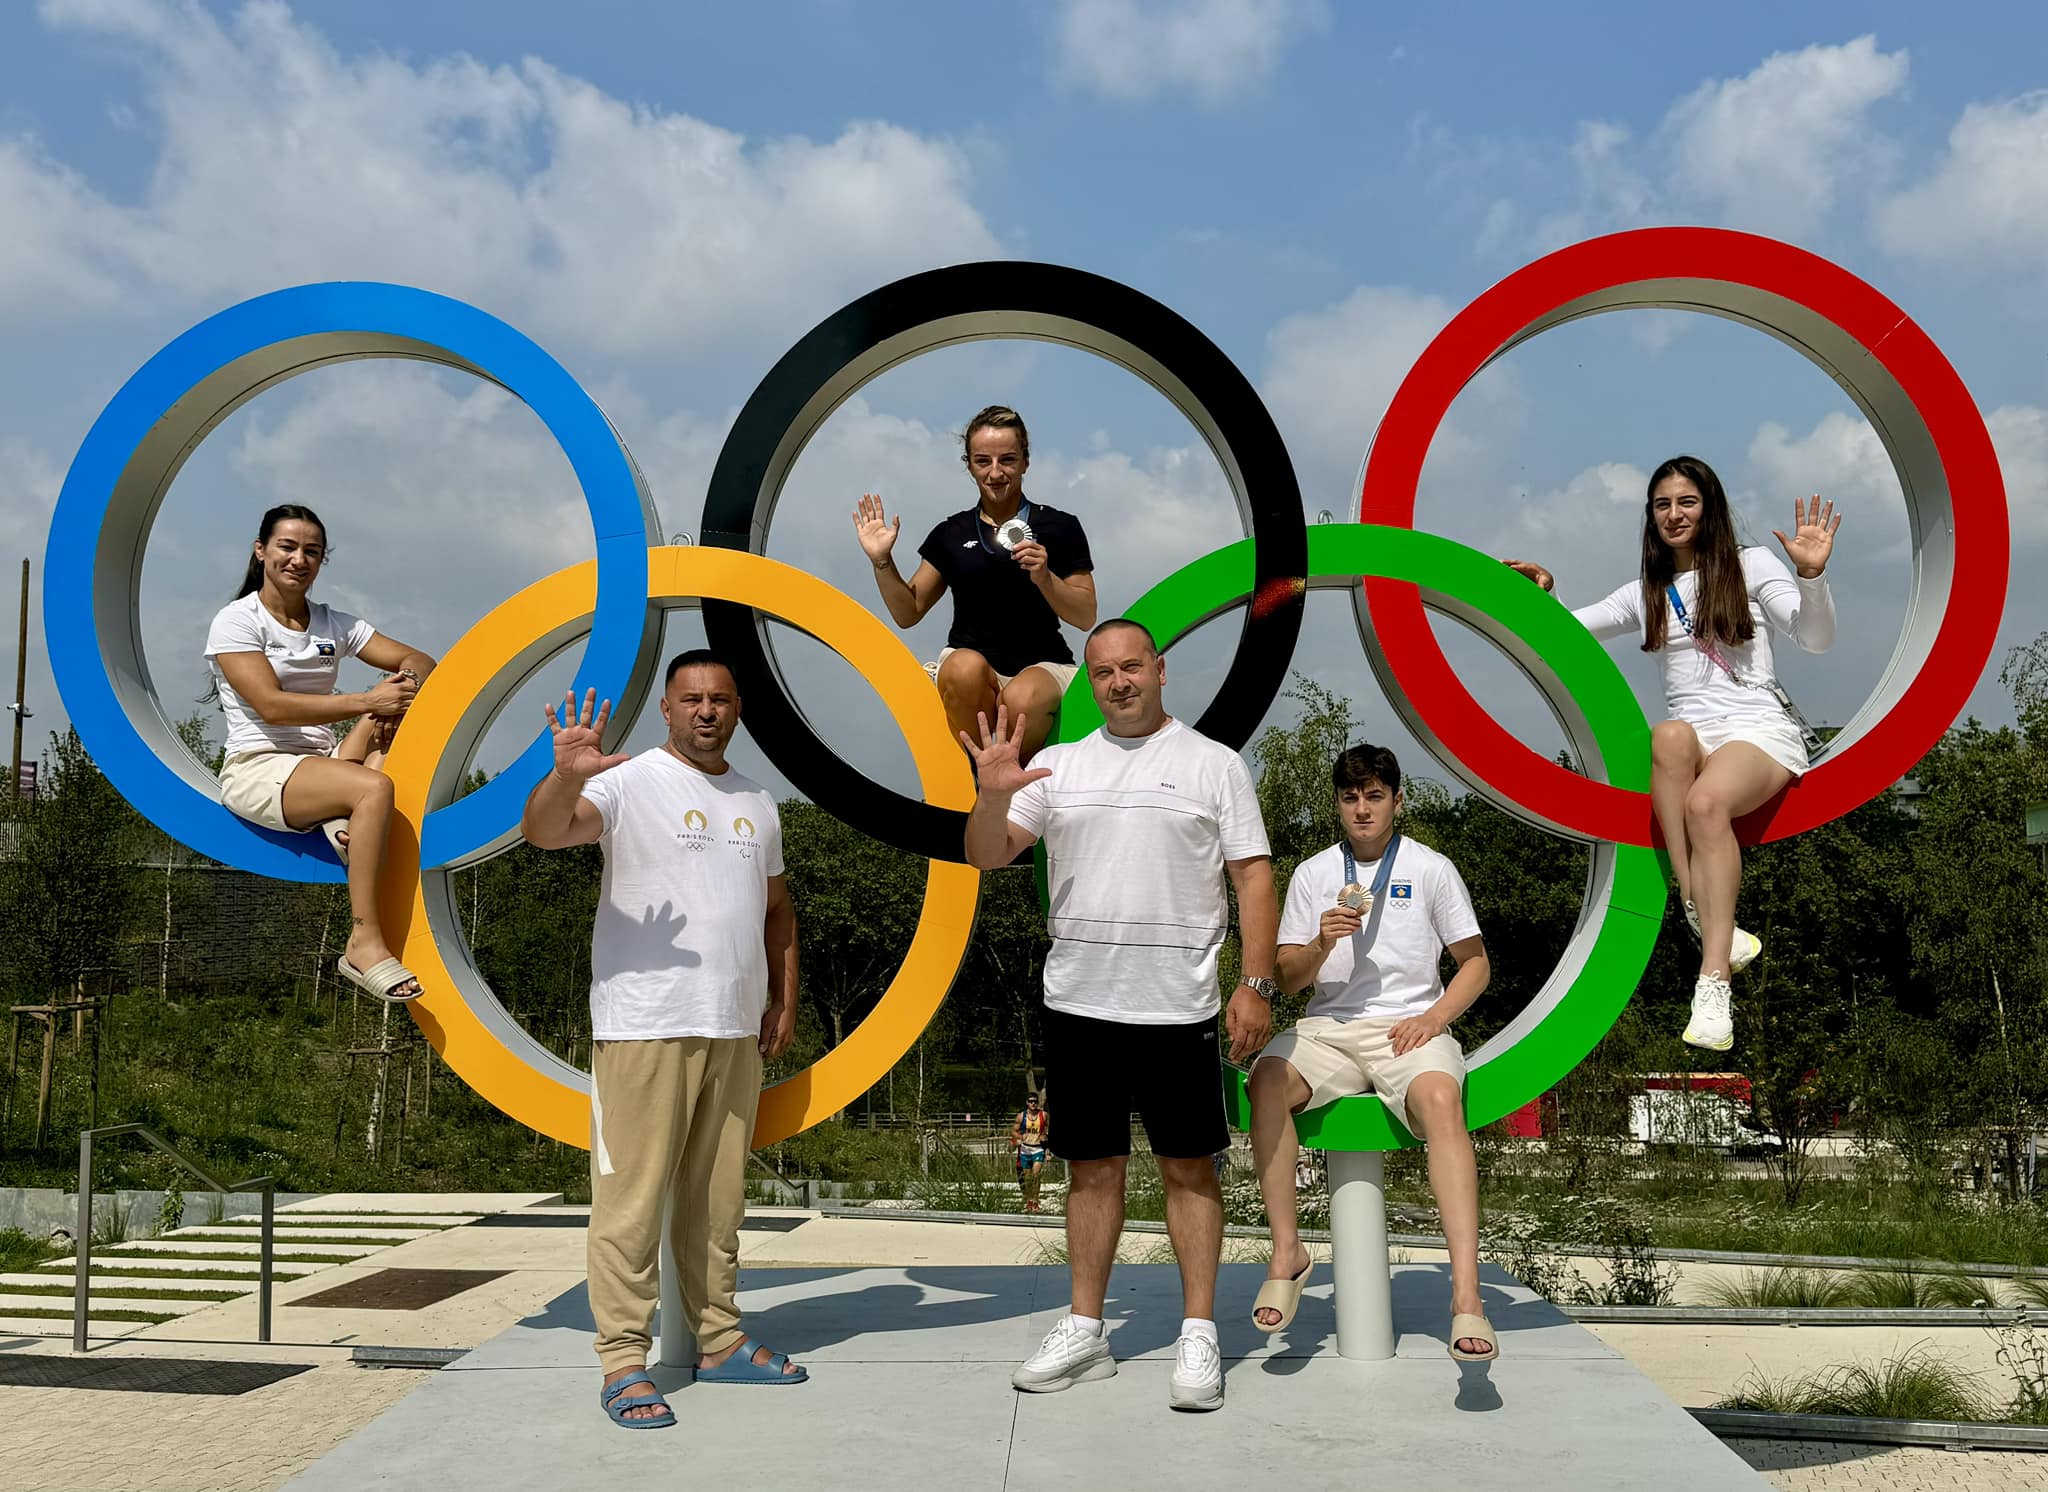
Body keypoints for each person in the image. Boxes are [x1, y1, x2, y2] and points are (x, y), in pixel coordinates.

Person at [965, 617, 1277, 1413]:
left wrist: (1258, 983)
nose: (1118, 683)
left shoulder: (1214, 765)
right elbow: (986, 854)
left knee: (1190, 1168)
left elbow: (1253, 879)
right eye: (1102, 672)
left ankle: (1199, 1332)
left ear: (1161, 669)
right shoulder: (1057, 766)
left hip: (1179, 1005)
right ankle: (1086, 1329)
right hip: (1080, 1002)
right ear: (1089, 682)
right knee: (1090, 1170)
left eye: (1131, 667)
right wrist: (992, 794)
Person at [519, 653, 804, 1429]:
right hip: (645, 1021)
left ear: (737, 708)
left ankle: (718, 1340)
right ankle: (621, 1359)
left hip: (733, 1025)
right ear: (669, 711)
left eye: (719, 698)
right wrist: (567, 775)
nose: (706, 711)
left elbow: (778, 909)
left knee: (717, 1202)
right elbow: (545, 832)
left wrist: (785, 995)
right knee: (631, 1201)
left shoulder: (757, 799)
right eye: (691, 700)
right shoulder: (625, 779)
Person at [1507, 456, 1840, 1051]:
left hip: (1757, 731)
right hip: (1694, 738)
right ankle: (1697, 902)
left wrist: (1811, 578)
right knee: (1666, 736)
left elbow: (1817, 641)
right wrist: (1545, 596)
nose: (1674, 514)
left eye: (1686, 502)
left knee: (1707, 803)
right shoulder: (1647, 593)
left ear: (1709, 507)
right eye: (1662, 504)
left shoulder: (1751, 565)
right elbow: (1566, 636)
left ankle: (1713, 982)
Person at [1247, 743, 1497, 1362]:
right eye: (1351, 797)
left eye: (1375, 797)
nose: (1362, 810)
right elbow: (1289, 976)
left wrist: (1433, 1018)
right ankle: (1289, 1251)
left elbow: (1475, 964)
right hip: (1328, 1026)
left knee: (1442, 1100)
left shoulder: (1431, 867)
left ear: (1397, 801)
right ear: (1337, 804)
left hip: (1408, 1026)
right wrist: (1322, 943)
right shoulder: (1312, 873)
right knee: (1266, 1082)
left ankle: (1467, 1294)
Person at [203, 504, 435, 1002]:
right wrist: (368, 700)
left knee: (396, 722)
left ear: (323, 560)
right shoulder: (237, 622)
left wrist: (402, 689)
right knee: (376, 786)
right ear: (261, 550)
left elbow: (420, 658)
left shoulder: (333, 623)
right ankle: (363, 941)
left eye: (311, 551)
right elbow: (271, 706)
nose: (298, 559)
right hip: (261, 767)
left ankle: (347, 822)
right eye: (287, 547)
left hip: (323, 762)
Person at [854, 405, 1097, 763]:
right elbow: (908, 612)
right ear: (969, 465)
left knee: (1022, 699)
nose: (996, 473)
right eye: (983, 461)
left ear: (1026, 462)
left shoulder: (1060, 526)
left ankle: (1005, 781)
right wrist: (881, 559)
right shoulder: (950, 533)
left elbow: (1086, 614)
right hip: (974, 670)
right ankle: (984, 775)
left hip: (1044, 668)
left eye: (1008, 460)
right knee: (962, 670)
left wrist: (1045, 578)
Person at [1011, 1092, 1050, 1213]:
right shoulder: (1021, 1116)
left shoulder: (1044, 1115)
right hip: (1025, 1149)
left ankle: (1036, 1201)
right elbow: (1014, 1131)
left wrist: (1046, 1139)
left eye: (1035, 1101)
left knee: (1036, 1175)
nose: (1033, 1103)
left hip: (1038, 1148)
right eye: (1031, 1101)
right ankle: (1029, 1201)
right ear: (1027, 1103)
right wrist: (1018, 1138)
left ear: (1038, 1103)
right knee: (1027, 1178)